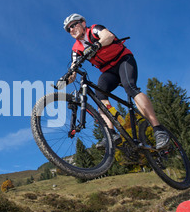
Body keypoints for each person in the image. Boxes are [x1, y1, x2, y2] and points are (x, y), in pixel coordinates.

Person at [63, 13, 170, 150]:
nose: (71, 29)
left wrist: (97, 45)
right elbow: (74, 67)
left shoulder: (94, 30)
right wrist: (67, 78)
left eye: (73, 25)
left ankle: (158, 129)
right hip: (108, 71)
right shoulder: (75, 49)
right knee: (100, 95)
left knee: (130, 88)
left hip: (123, 60)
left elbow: (108, 36)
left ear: (83, 23)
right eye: (68, 29)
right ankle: (111, 133)